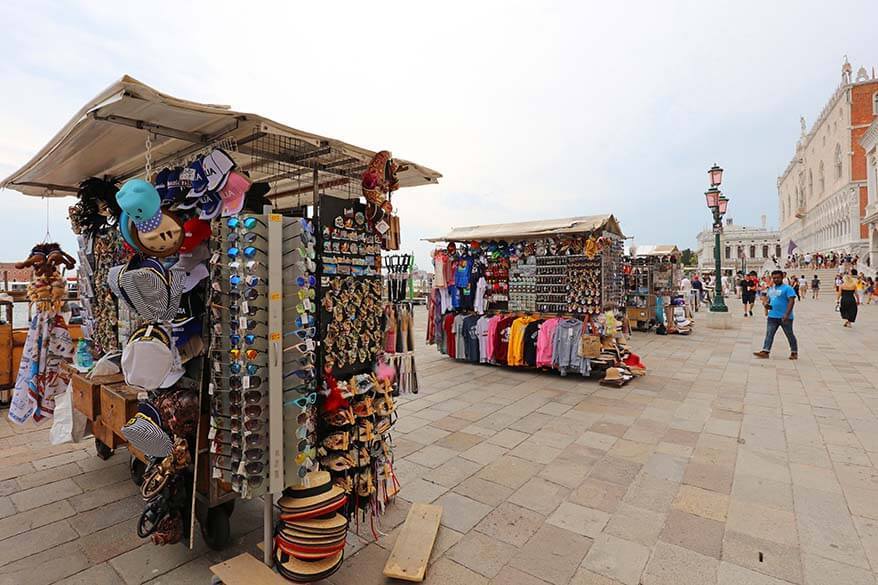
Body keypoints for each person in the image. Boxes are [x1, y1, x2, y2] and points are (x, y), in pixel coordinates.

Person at [754, 270, 798, 360]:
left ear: (782, 278)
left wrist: (787, 314)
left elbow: (791, 301)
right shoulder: (771, 289)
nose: (776, 279)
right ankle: (766, 351)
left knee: (789, 334)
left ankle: (794, 352)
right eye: (774, 278)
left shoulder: (788, 288)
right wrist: (767, 305)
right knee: (769, 333)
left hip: (785, 317)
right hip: (772, 316)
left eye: (778, 277)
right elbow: (770, 300)